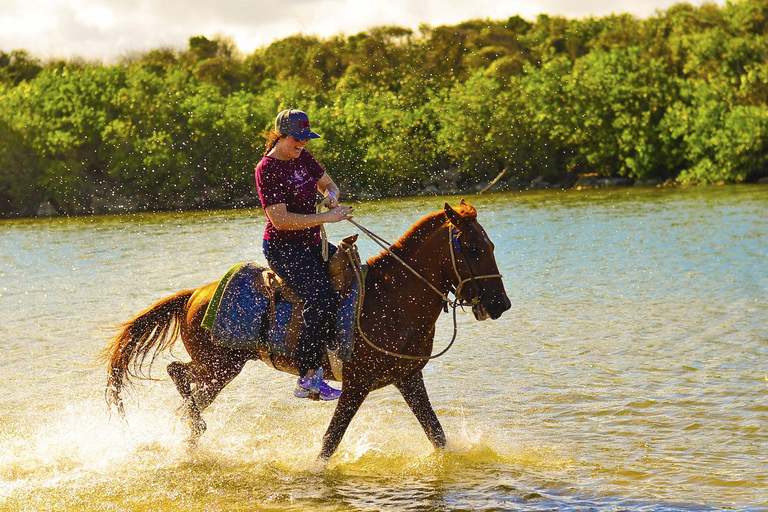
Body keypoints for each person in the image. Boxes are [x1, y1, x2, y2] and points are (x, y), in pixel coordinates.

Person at [255, 109, 354, 401]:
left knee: (355, 275)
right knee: (320, 297)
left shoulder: (303, 158)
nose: (303, 144)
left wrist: (331, 196)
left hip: (312, 244)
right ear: (281, 136)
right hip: (283, 248)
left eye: (306, 139)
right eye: (298, 139)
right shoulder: (267, 169)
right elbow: (280, 220)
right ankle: (308, 378)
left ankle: (339, 348)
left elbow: (328, 183)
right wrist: (327, 218)